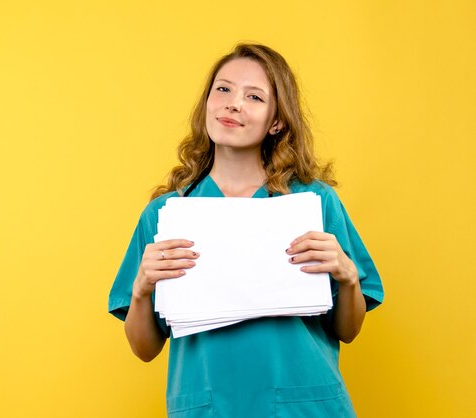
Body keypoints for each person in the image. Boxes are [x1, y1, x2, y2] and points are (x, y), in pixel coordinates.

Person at [108, 43, 384, 418]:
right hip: (210, 407)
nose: (233, 103)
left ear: (276, 121)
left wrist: (350, 277)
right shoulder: (166, 214)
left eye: (253, 96)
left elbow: (348, 331)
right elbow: (144, 349)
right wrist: (140, 288)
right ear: (206, 102)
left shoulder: (314, 202)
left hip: (306, 406)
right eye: (223, 89)